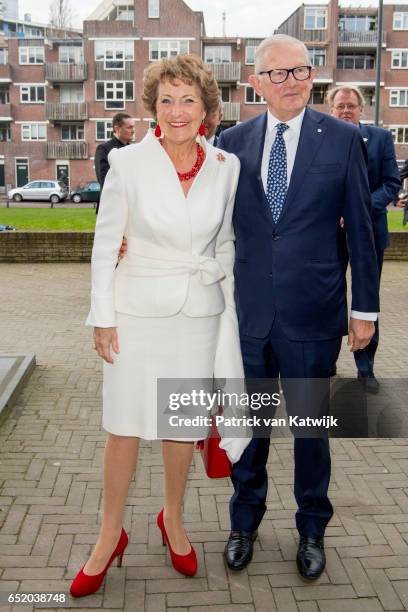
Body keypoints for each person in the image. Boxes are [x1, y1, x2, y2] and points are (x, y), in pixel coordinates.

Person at [70, 54, 245, 597]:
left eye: (188, 99)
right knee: (122, 426)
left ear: (207, 110)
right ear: (153, 107)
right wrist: (101, 316)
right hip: (135, 313)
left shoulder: (226, 166)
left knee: (182, 427)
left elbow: (225, 243)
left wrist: (219, 281)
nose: (176, 110)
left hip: (198, 316)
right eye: (166, 99)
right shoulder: (127, 163)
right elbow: (105, 245)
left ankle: (173, 519)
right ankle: (108, 534)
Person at [217, 34, 379, 579]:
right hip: (250, 316)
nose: (291, 82)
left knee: (311, 431)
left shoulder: (341, 139)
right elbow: (214, 225)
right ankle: (245, 522)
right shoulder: (232, 142)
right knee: (251, 428)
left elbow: (361, 231)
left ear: (314, 76)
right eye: (278, 74)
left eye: (301, 71)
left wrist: (366, 311)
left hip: (313, 315)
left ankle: (312, 528)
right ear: (256, 82)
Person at [328, 85, 401, 393]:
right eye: (340, 106)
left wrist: (357, 208)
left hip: (369, 234)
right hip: (328, 235)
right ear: (331, 109)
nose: (346, 110)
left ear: (361, 110)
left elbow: (391, 184)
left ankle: (366, 367)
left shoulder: (381, 139)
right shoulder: (321, 139)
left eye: (351, 106)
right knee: (328, 299)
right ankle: (326, 361)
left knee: (366, 298)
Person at [94, 112, 135, 214]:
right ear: (117, 129)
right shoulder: (104, 149)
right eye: (129, 127)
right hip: (111, 207)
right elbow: (105, 180)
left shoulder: (133, 150)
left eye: (133, 127)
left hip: (131, 206)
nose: (133, 131)